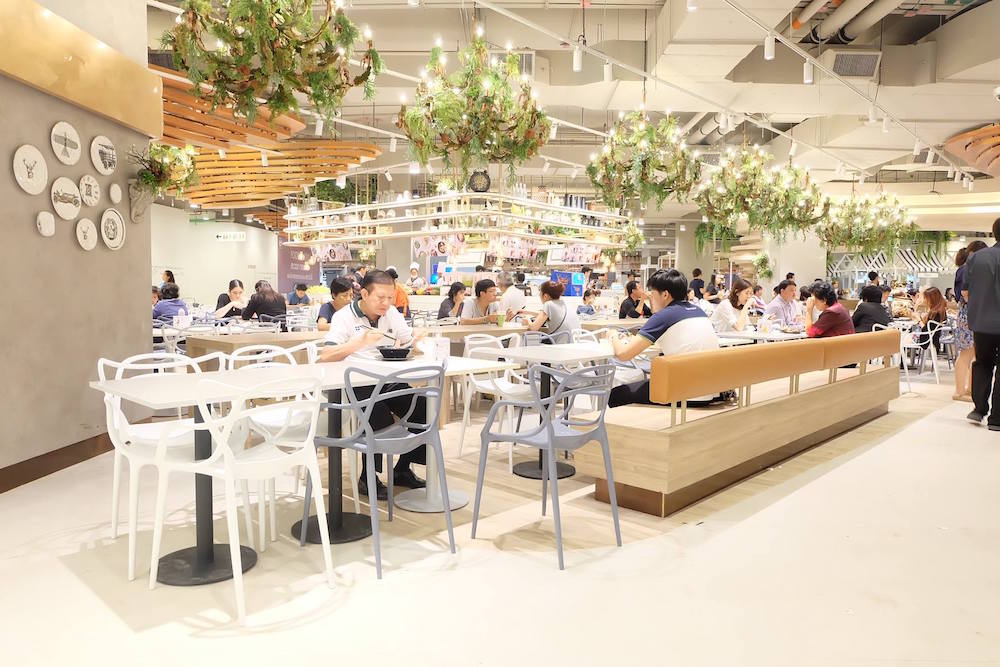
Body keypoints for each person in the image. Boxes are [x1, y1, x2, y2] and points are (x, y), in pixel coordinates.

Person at [320, 270, 427, 497]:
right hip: (355, 383)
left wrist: (416, 341)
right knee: (378, 416)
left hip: (387, 379)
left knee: (423, 407)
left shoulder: (391, 313)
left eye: (390, 297)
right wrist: (359, 342)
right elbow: (326, 355)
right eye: (381, 297)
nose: (386, 303)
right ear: (365, 294)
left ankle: (402, 469)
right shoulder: (344, 317)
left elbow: (408, 341)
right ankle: (368, 477)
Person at [606, 269, 719, 407]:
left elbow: (623, 354)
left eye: (652, 293)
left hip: (685, 393)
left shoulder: (665, 316)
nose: (651, 297)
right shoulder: (698, 311)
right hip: (709, 389)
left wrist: (613, 335)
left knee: (616, 394)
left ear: (665, 294)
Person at [963, 222, 1000, 428]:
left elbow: (965, 291)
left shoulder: (976, 258)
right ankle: (997, 418)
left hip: (982, 321)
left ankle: (979, 409)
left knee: (983, 363)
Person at [954, 242, 987, 401]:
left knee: (973, 353)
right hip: (969, 313)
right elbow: (965, 293)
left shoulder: (967, 269)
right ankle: (960, 391)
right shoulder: (966, 270)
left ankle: (968, 389)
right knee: (966, 353)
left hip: (971, 313)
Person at [917, 286, 948, 351]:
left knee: (903, 338)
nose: (924, 300)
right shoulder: (940, 311)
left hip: (927, 341)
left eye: (925, 298)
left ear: (932, 299)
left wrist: (918, 319)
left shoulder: (935, 313)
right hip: (934, 340)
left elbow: (926, 331)